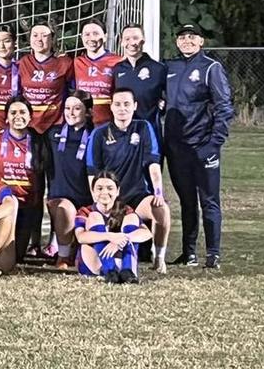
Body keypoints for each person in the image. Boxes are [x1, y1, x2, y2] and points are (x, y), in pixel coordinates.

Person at [164, 23, 233, 269]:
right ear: (177, 42)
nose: (187, 41)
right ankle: (188, 252)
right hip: (176, 149)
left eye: (192, 37)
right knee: (186, 201)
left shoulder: (211, 68)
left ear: (201, 41)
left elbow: (224, 107)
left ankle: (213, 254)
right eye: (182, 37)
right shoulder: (169, 67)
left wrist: (214, 144)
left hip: (202, 146)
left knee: (209, 200)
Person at [85, 87, 171, 273]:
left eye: (126, 104)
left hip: (137, 195)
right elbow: (93, 173)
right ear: (111, 107)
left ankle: (159, 257)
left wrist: (158, 192)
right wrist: (97, 201)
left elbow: (153, 163)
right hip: (111, 198)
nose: (122, 108)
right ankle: (107, 261)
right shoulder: (99, 134)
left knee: (161, 209)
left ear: (134, 106)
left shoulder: (144, 128)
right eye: (118, 104)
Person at [0, 97, 48, 260]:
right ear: (6, 117)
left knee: (16, 256)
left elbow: (42, 177)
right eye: (13, 112)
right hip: (1, 205)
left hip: (26, 206)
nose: (18, 116)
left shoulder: (39, 141)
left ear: (30, 117)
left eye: (22, 112)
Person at [46, 90, 95, 270]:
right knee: (64, 208)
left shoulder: (95, 135)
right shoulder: (53, 134)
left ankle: (75, 247)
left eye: (77, 108)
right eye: (67, 108)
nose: (71, 112)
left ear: (88, 112)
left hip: (86, 200)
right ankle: (63, 256)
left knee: (89, 261)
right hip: (59, 198)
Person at [74, 171, 153, 283]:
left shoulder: (125, 210)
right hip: (94, 261)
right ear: (93, 192)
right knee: (94, 216)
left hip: (120, 259)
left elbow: (147, 233)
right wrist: (110, 236)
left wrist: (123, 239)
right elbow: (81, 237)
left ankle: (127, 271)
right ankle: (109, 271)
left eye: (110, 188)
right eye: (100, 188)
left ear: (117, 191)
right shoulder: (85, 211)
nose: (105, 192)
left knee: (132, 218)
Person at [18, 21, 73, 135]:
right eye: (35, 35)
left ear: (52, 39)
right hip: (28, 124)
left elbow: (73, 92)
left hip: (55, 125)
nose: (39, 39)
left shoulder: (65, 63)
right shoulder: (23, 63)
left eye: (44, 35)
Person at [113, 23, 166, 130]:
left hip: (149, 129)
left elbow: (170, 99)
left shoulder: (159, 69)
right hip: (123, 130)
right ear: (122, 42)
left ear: (143, 40)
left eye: (136, 38)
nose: (132, 43)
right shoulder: (117, 69)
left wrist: (163, 105)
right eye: (127, 39)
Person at [73, 19, 123, 126]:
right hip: (83, 123)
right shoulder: (76, 62)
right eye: (87, 34)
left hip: (109, 122)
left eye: (95, 33)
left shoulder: (118, 61)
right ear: (81, 38)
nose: (91, 38)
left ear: (105, 36)